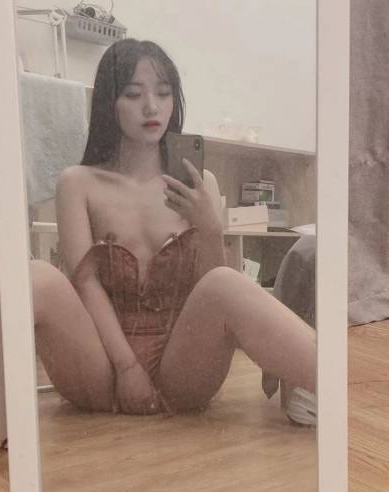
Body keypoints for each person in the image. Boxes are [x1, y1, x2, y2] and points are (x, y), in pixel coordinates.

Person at [31, 38, 316, 421]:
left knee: (225, 282)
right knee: (37, 276)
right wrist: (127, 367)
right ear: (109, 102)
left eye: (163, 93)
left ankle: (340, 387)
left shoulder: (199, 184)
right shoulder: (78, 183)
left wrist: (210, 228)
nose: (151, 106)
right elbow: (86, 284)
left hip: (182, 365)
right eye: (134, 94)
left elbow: (211, 286)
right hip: (99, 366)